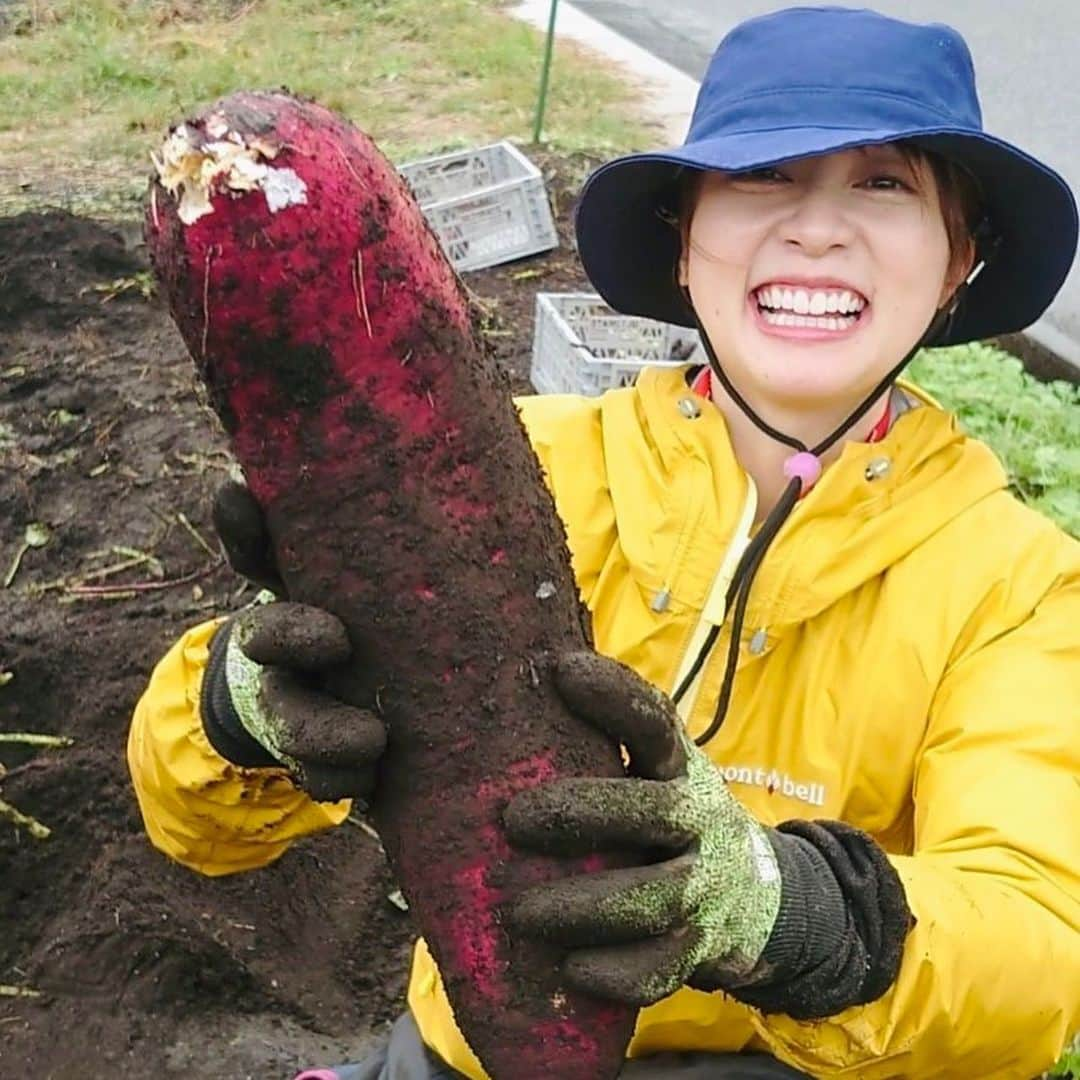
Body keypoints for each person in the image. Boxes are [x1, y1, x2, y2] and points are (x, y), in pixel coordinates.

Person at [128, 7, 1080, 1079]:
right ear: (683, 240)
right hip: (478, 1052)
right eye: (764, 176)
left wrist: (791, 916)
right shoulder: (515, 475)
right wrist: (238, 708)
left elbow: (1041, 949)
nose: (819, 228)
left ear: (960, 262)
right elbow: (192, 827)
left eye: (885, 184)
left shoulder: (1018, 585)